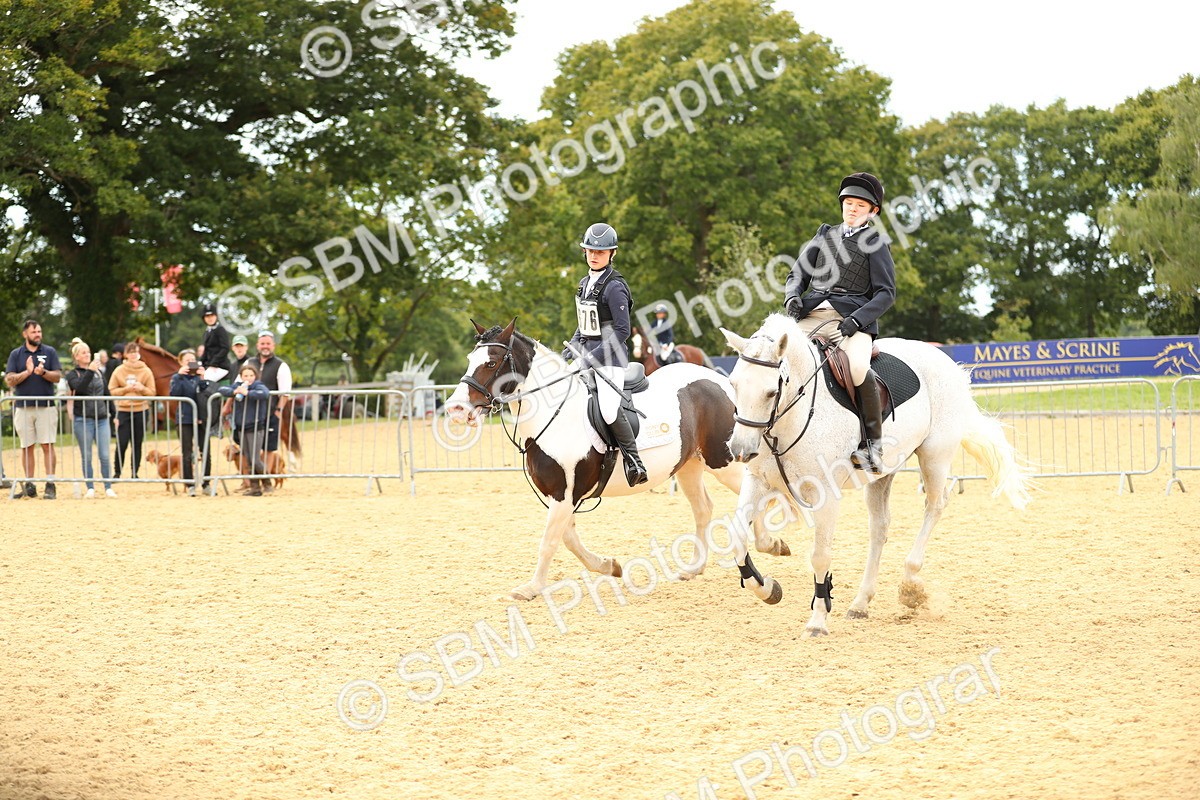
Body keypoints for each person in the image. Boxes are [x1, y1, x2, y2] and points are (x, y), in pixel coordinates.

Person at [783, 171, 896, 473]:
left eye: (860, 205)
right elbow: (797, 274)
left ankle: (872, 446)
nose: (853, 209)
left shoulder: (876, 242)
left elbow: (886, 293)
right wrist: (792, 296)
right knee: (773, 353)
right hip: (811, 316)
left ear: (873, 211)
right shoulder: (824, 235)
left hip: (851, 321)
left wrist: (858, 320)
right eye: (849, 203)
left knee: (858, 367)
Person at [561, 222, 647, 486]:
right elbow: (584, 324)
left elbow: (622, 331)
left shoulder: (615, 287)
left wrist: (590, 358)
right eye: (590, 251)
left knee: (609, 410)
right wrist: (571, 347)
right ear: (585, 252)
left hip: (611, 360)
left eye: (601, 252)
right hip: (586, 356)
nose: (594, 255)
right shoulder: (584, 283)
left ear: (612, 253)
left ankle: (634, 462)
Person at [4, 319, 62, 499]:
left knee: (47, 444)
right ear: (25, 334)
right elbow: (9, 379)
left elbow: (58, 376)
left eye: (39, 331)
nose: (38, 335)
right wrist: (27, 372)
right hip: (23, 407)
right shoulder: (16, 354)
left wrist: (43, 372)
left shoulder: (49, 352)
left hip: (45, 406)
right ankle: (29, 484)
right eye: (34, 332)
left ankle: (50, 484)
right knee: (27, 446)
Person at [64, 338, 116, 498]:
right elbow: (79, 389)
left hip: (102, 418)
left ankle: (108, 486)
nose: (87, 354)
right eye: (83, 353)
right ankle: (90, 487)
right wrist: (91, 371)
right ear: (76, 357)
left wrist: (114, 414)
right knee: (86, 455)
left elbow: (106, 393)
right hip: (83, 419)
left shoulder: (99, 372)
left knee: (104, 455)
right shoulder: (72, 374)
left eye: (88, 352)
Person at [218, 363, 271, 496]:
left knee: (255, 459)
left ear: (255, 376)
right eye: (245, 375)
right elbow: (222, 389)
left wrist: (248, 393)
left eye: (251, 375)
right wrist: (234, 392)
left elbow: (264, 393)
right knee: (248, 458)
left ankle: (267, 482)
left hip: (255, 427)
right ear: (241, 377)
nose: (248, 378)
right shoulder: (238, 386)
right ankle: (255, 487)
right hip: (242, 427)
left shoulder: (258, 386)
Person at [108, 341, 156, 479]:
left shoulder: (146, 371)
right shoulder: (119, 370)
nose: (134, 355)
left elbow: (152, 392)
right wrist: (125, 389)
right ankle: (117, 472)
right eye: (131, 352)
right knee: (121, 442)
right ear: (126, 354)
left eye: (136, 352)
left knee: (137, 443)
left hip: (141, 410)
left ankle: (135, 472)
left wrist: (142, 389)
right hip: (123, 410)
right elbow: (112, 390)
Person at [169, 348, 212, 496]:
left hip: (201, 418)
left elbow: (208, 394)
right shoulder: (177, 378)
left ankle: (206, 483)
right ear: (181, 362)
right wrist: (180, 376)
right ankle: (190, 484)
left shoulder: (201, 377)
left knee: (205, 451)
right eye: (187, 360)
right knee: (187, 452)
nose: (190, 363)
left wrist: (203, 378)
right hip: (185, 418)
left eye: (192, 360)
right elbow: (174, 394)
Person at [253, 331, 292, 457]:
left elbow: (285, 392)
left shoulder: (281, 366)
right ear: (257, 345)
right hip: (250, 414)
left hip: (270, 413)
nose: (265, 346)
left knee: (269, 448)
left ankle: (266, 470)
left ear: (273, 346)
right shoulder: (249, 363)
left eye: (268, 344)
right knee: (250, 447)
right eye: (262, 343)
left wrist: (278, 412)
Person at [198, 303, 232, 378]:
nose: (210, 318)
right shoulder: (207, 332)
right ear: (204, 318)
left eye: (212, 315)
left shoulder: (220, 330)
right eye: (207, 316)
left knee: (203, 379)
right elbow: (206, 350)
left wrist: (213, 363)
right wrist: (200, 362)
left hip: (220, 366)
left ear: (216, 316)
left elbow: (225, 348)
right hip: (210, 365)